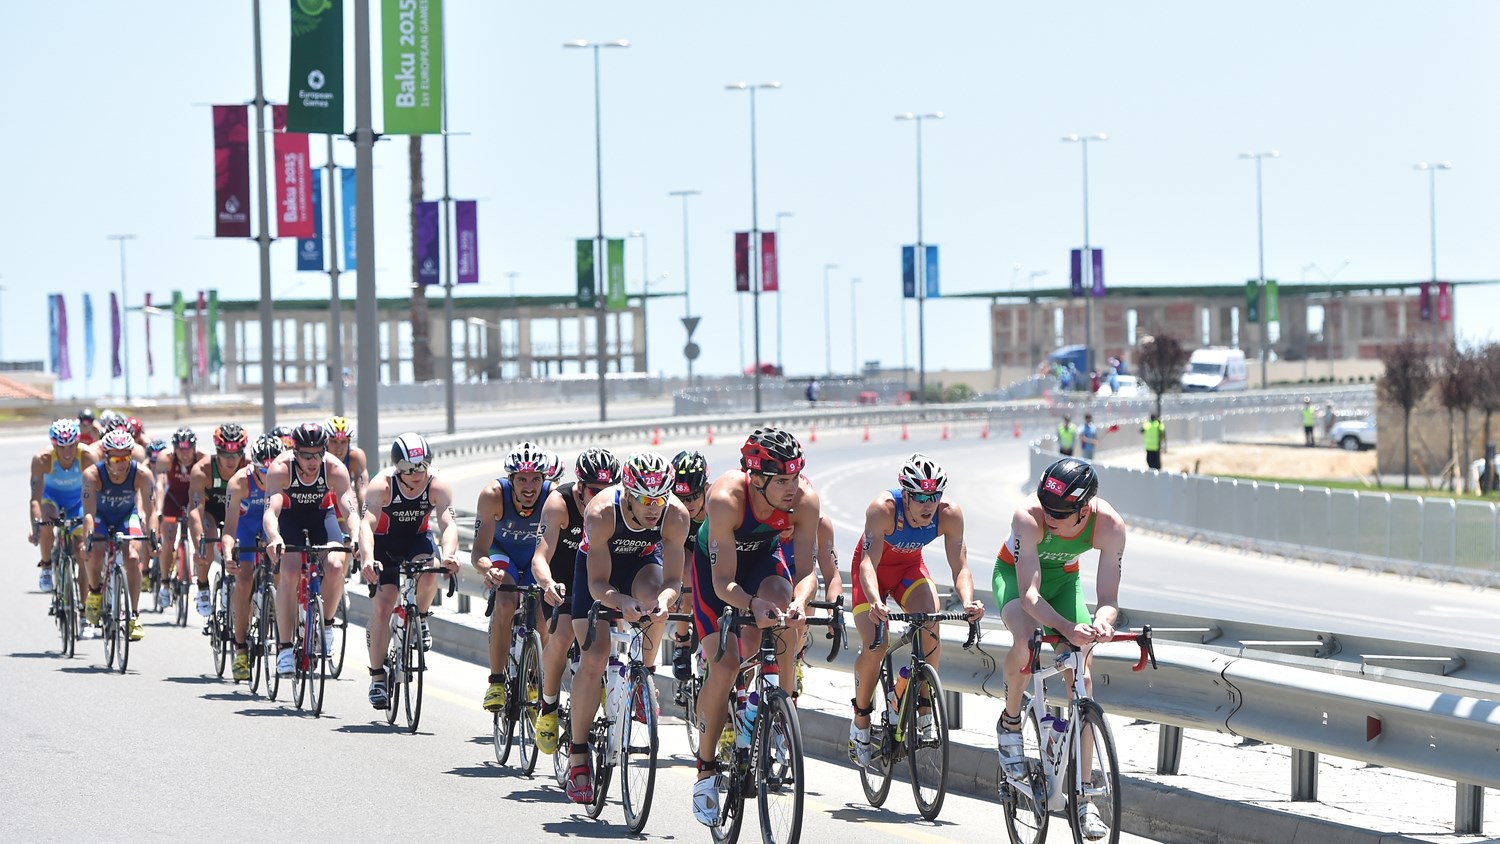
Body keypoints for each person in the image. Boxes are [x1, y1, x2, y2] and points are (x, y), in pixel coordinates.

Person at [689, 428, 821, 826]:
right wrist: (750, 604)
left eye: (796, 476)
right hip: (720, 575)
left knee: (784, 606)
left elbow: (805, 571)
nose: (792, 488)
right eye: (782, 480)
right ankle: (706, 767)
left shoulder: (804, 500)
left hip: (764, 562)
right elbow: (722, 583)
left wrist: (799, 602)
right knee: (726, 665)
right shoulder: (726, 498)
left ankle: (780, 709)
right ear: (756, 478)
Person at [994, 458, 1123, 840]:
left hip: (1065, 583)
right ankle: (1012, 721)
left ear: (1084, 510)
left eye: (1059, 513)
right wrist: (1067, 628)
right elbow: (1030, 596)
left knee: (1081, 676)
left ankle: (1083, 802)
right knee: (1026, 638)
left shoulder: (1110, 526)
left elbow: (1109, 597)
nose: (1049, 517)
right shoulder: (1029, 517)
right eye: (1045, 507)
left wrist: (1102, 622)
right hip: (1017, 581)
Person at [562, 451, 690, 804]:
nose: (653, 507)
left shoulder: (676, 515)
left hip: (641, 564)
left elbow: (674, 580)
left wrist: (663, 600)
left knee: (654, 602)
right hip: (598, 574)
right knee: (595, 656)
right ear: (628, 491)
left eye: (660, 499)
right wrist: (620, 603)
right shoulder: (602, 512)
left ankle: (643, 676)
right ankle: (578, 756)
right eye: (646, 499)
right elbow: (598, 585)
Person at [847, 454, 984, 767]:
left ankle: (922, 704)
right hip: (872, 575)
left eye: (933, 496)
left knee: (931, 622)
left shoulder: (949, 514)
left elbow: (960, 565)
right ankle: (861, 720)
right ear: (905, 495)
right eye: (920, 497)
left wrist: (967, 601)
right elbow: (868, 562)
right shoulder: (883, 509)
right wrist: (875, 601)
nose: (928, 505)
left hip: (908, 571)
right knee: (876, 644)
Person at [530, 447, 621, 757]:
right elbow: (540, 556)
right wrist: (547, 583)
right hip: (562, 577)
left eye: (608, 491)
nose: (601, 498)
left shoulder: (616, 507)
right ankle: (549, 705)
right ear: (580, 487)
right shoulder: (559, 504)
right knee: (563, 632)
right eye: (595, 491)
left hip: (598, 576)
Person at [359, 433, 461, 709]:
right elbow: (366, 525)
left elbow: (448, 524)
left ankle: (422, 618)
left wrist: (449, 554)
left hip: (417, 539)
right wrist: (367, 558)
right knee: (383, 604)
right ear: (397, 468)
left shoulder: (437, 484)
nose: (416, 473)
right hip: (384, 544)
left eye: (421, 466)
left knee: (430, 571)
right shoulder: (382, 485)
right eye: (408, 468)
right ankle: (378, 677)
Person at [262, 422, 360, 677]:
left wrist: (357, 536)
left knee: (336, 565)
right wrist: (274, 537)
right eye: (306, 455)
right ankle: (284, 648)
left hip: (321, 517)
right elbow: (271, 512)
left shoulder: (335, 469)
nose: (313, 460)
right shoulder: (280, 469)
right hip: (290, 518)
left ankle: (326, 626)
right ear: (295, 453)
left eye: (318, 453)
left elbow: (349, 509)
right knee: (290, 571)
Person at [471, 442, 553, 712]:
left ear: (544, 479)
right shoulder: (493, 495)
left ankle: (532, 676)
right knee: (506, 600)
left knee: (543, 611)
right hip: (502, 553)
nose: (529, 487)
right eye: (522, 480)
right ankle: (495, 682)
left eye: (535, 479)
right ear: (510, 479)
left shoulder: (552, 498)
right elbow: (479, 552)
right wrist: (488, 570)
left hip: (535, 558)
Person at [81, 429, 158, 642]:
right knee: (95, 551)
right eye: (116, 458)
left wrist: (153, 538)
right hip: (100, 517)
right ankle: (95, 593)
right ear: (106, 457)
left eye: (126, 457)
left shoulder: (142, 474)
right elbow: (88, 513)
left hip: (127, 516)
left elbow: (151, 512)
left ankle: (133, 615)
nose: (122, 463)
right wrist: (87, 539)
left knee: (133, 558)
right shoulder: (92, 475)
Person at [220, 434, 284, 681]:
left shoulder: (285, 477)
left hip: (271, 528)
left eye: (272, 471)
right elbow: (229, 530)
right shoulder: (238, 483)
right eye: (262, 471)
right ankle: (241, 649)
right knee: (244, 580)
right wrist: (227, 556)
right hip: (245, 529)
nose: (268, 478)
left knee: (284, 575)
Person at [186, 425, 249, 616]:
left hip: (237, 511)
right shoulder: (202, 470)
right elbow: (195, 511)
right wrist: (198, 546)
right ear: (217, 452)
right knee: (208, 541)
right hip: (210, 511)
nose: (231, 460)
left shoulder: (248, 467)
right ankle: (203, 586)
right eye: (225, 454)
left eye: (236, 453)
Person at [30, 419, 94, 593]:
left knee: (83, 554)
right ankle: (46, 566)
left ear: (78, 442)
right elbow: (35, 499)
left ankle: (82, 612)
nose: (67, 452)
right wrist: (36, 525)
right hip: (51, 500)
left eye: (71, 446)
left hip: (78, 502)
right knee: (46, 520)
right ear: (54, 445)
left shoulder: (87, 457)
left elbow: (96, 493)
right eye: (62, 447)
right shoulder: (42, 459)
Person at [667, 450, 710, 681]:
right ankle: (682, 642)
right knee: (687, 568)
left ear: (705, 488)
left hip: (712, 553)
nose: (687, 504)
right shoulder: (670, 509)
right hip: (684, 555)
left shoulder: (718, 502)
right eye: (680, 498)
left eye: (693, 497)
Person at [154, 427, 204, 610]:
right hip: (172, 500)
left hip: (194, 499)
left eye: (188, 448)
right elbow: (160, 485)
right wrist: (159, 511)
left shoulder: (202, 457)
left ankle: (201, 580)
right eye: (180, 449)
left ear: (194, 447)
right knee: (167, 542)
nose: (185, 453)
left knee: (201, 538)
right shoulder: (166, 459)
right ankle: (165, 584)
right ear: (174, 448)